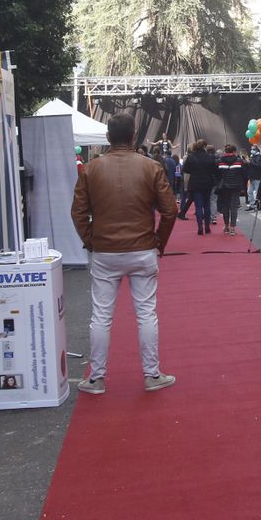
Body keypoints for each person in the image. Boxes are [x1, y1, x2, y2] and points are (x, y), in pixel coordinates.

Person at [71, 112, 178, 394]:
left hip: (105, 251)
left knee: (101, 315)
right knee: (146, 313)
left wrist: (90, 240)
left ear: (108, 137)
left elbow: (78, 212)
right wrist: (159, 241)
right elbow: (170, 210)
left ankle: (96, 378)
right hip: (142, 249)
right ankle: (151, 374)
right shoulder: (151, 167)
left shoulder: (91, 169)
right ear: (134, 137)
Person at [180, 139, 218, 234]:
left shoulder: (191, 157)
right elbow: (215, 170)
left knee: (198, 206)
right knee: (207, 205)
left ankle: (200, 227)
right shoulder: (210, 158)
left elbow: (185, 169)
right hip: (207, 183)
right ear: (205, 146)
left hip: (195, 183)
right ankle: (207, 227)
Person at [215, 143, 248, 235]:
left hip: (224, 187)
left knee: (225, 206)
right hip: (236, 187)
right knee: (234, 207)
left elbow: (216, 174)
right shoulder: (239, 161)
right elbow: (244, 174)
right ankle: (233, 228)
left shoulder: (219, 161)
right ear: (234, 152)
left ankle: (226, 226)